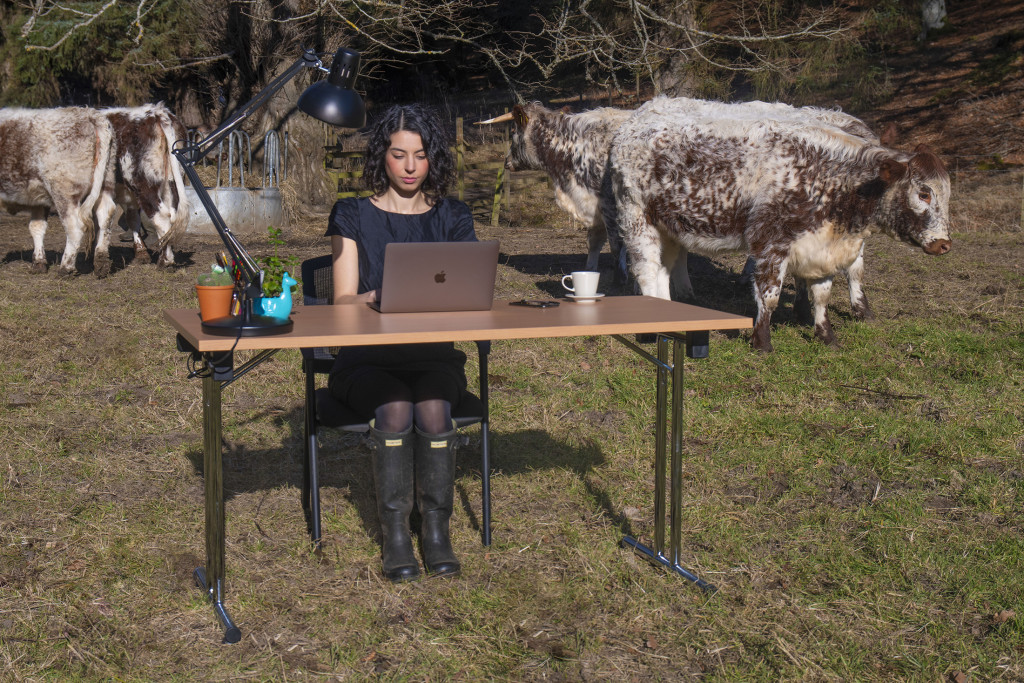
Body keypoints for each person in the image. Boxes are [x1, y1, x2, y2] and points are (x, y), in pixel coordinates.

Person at [325, 103, 476, 582]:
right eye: (398, 154)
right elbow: (342, 301)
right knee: (394, 407)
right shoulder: (351, 214)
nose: (410, 167)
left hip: (434, 359)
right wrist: (374, 296)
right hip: (365, 362)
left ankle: (435, 532)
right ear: (381, 157)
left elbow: (472, 291)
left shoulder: (453, 217)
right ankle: (395, 535)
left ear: (434, 159)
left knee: (432, 406)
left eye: (421, 155)